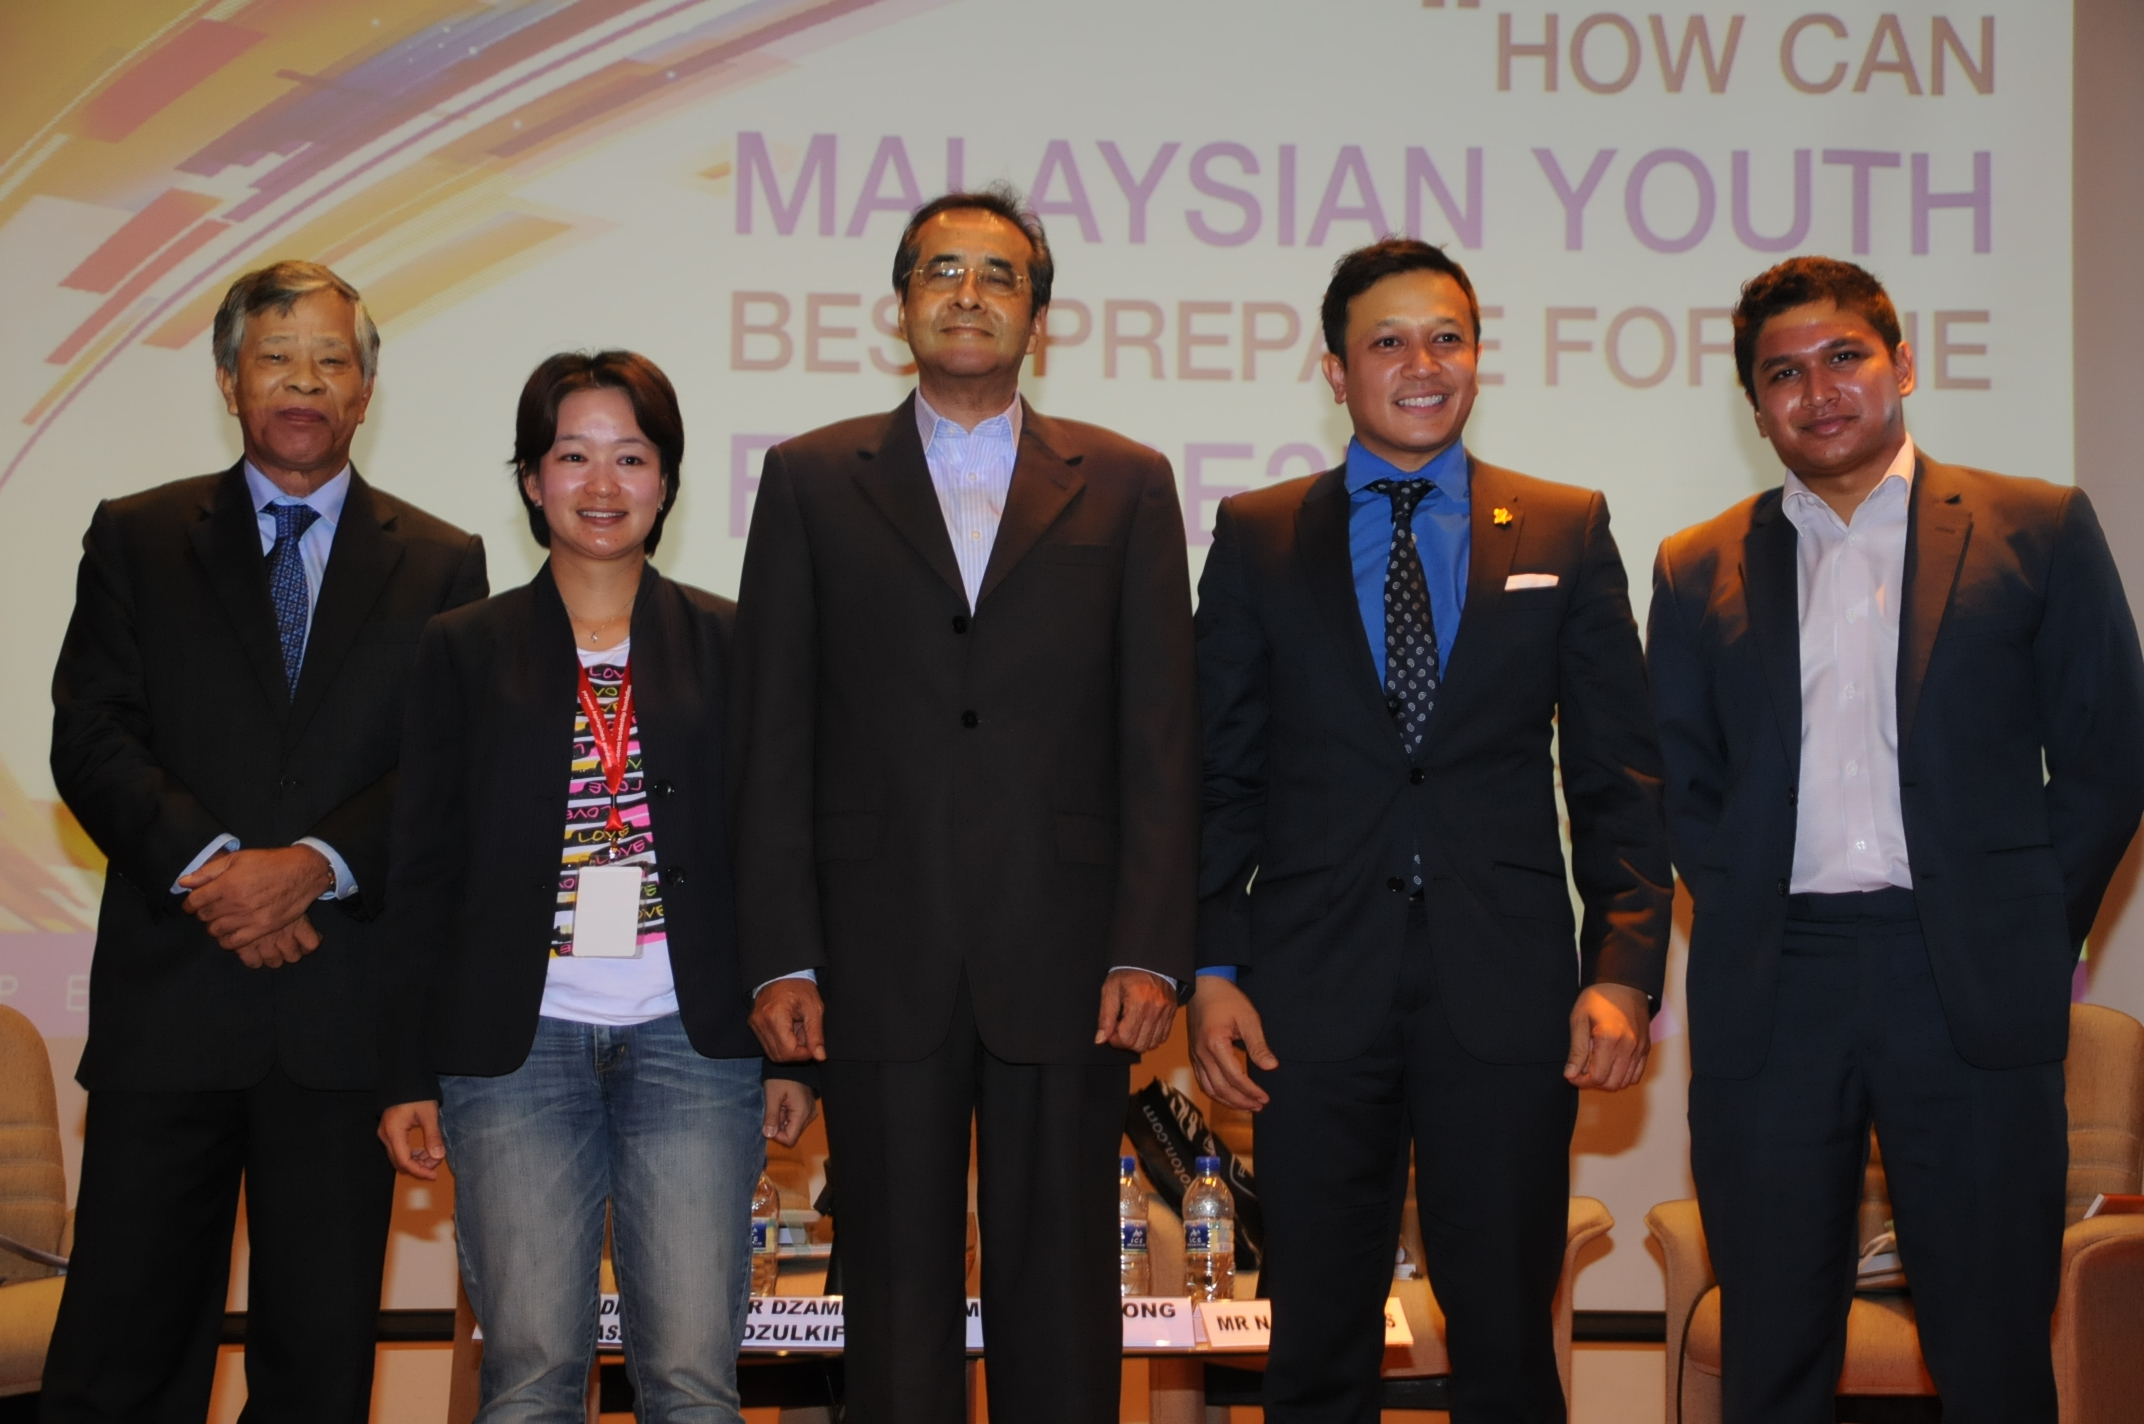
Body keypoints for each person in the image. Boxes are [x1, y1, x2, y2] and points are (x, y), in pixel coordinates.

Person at [1647, 256, 2144, 1424]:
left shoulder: (2035, 524)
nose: (1815, 391)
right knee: (1769, 1345)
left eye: (1843, 357)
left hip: (1964, 976)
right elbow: (1675, 776)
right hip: (1774, 982)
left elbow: (2106, 755)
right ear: (1753, 404)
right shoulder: (1692, 561)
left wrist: (2027, 924)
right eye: (1781, 373)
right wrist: (1740, 904)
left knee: (1988, 1344)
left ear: (1901, 363)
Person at [730, 185, 1198, 1423]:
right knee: (891, 1299)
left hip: (1071, 951)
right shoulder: (809, 478)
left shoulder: (1128, 482)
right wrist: (780, 952)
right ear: (899, 306)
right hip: (874, 949)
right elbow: (772, 737)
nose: (968, 294)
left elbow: (1160, 737)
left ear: (1039, 316)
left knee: (1062, 1299)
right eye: (941, 270)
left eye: (998, 275)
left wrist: (1150, 943)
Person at [1190, 239, 1672, 1424]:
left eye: (1446, 337)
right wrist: (1209, 967)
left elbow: (1617, 776)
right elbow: (1216, 777)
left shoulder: (1561, 526)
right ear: (1335, 369)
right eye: (1388, 341)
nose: (1422, 363)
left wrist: (1622, 968)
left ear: (1475, 356)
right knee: (1313, 1342)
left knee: (1505, 1339)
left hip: (1505, 989)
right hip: (1306, 994)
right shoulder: (1257, 534)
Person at [43, 261, 488, 1421]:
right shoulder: (138, 536)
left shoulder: (441, 560)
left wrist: (311, 868)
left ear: (365, 390)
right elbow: (92, 733)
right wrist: (216, 870)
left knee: (317, 1365)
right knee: (121, 1359)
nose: (303, 382)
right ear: (228, 378)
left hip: (341, 1022)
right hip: (170, 1005)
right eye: (277, 358)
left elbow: (447, 768)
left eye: (331, 360)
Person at [376, 351, 817, 1422]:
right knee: (530, 1371)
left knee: (693, 1376)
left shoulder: (734, 642)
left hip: (694, 1042)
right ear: (532, 480)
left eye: (631, 456)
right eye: (573, 456)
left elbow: (783, 850)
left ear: (666, 480)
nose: (603, 482)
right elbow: (419, 868)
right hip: (514, 1050)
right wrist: (403, 1070)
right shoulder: (460, 648)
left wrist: (797, 1057)